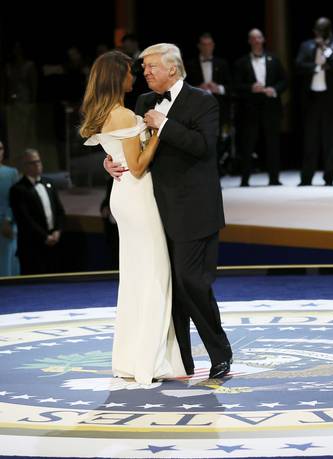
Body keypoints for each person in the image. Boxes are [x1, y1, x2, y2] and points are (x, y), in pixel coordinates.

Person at [104, 43, 232, 379]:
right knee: (170, 288)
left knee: (192, 281)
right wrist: (112, 161)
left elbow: (204, 147)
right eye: (143, 68)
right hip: (156, 211)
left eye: (150, 67)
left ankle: (220, 352)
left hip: (195, 210)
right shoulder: (145, 102)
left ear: (171, 69)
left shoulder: (203, 101)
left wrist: (165, 125)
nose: (143, 73)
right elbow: (133, 146)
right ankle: (181, 362)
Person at [81, 50, 185, 384]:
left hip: (123, 196)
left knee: (136, 278)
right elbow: (138, 166)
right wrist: (157, 132)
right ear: (116, 77)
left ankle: (132, 359)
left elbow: (115, 154)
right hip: (138, 198)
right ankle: (148, 363)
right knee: (154, 277)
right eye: (129, 71)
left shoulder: (104, 111)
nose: (134, 77)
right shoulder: (124, 115)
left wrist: (108, 160)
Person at [296, 17, 333, 186]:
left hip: (332, 99)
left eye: (321, 30)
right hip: (312, 98)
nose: (317, 33)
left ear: (328, 31)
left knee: (331, 140)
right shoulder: (307, 45)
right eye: (316, 30)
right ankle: (306, 178)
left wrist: (326, 51)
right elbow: (299, 64)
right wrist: (317, 67)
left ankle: (329, 177)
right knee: (310, 139)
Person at [233, 28, 288, 186]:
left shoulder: (274, 59)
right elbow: (235, 85)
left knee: (273, 144)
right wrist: (251, 87)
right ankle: (245, 179)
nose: (256, 41)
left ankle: (274, 178)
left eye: (259, 38)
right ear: (249, 41)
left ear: (263, 39)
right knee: (248, 144)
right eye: (253, 38)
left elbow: (284, 80)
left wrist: (274, 90)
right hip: (250, 108)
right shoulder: (241, 62)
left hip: (271, 107)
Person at [9, 149, 65, 275]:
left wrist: (57, 231)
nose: (37, 165)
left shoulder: (49, 183)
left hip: (54, 244)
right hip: (32, 247)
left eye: (38, 161)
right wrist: (45, 237)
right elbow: (25, 219)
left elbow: (60, 211)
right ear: (24, 167)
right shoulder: (17, 190)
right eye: (32, 162)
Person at [185, 32, 232, 173]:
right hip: (196, 111)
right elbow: (183, 86)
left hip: (218, 109)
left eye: (209, 44)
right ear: (199, 46)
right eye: (204, 45)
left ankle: (216, 172)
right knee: (199, 141)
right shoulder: (190, 64)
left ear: (213, 46)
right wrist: (198, 88)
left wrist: (219, 88)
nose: (207, 47)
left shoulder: (222, 64)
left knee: (217, 142)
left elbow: (232, 87)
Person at [0, 140, 20, 276]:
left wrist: (7, 220)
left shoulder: (11, 173)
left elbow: (15, 201)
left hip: (8, 226)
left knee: (8, 265)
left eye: (0, 148)